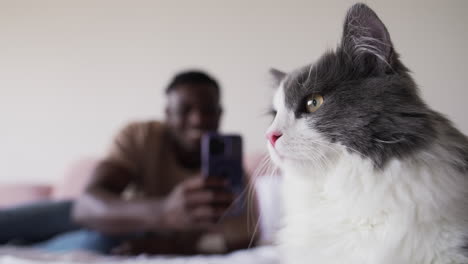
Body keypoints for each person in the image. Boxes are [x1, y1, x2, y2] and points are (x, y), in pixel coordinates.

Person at [0, 70, 258, 255]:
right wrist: (165, 211)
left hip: (125, 234)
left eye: (208, 110)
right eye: (185, 109)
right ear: (167, 114)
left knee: (103, 245)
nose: (198, 120)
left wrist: (173, 246)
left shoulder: (234, 177)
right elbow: (86, 207)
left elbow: (244, 240)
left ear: (220, 114)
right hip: (108, 211)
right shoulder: (142, 136)